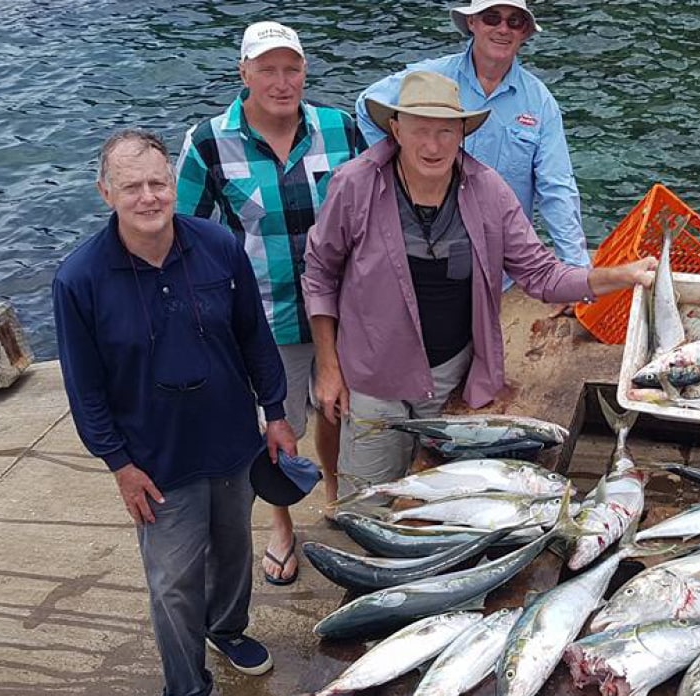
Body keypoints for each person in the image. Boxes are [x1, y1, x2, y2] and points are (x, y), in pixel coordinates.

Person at [53, 130, 295, 696]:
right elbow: (84, 387)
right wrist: (120, 466)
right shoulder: (78, 278)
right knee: (172, 582)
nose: (148, 196)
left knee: (235, 550)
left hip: (231, 441)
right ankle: (185, 692)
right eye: (131, 185)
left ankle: (229, 629)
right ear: (105, 192)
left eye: (158, 181)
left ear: (173, 182)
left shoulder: (217, 244)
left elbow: (253, 337)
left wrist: (275, 412)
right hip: (155, 464)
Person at [304, 71, 653, 492]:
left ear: (462, 133)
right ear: (396, 130)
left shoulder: (488, 190)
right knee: (366, 497)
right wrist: (328, 367)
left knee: (441, 496)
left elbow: (541, 275)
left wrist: (622, 276)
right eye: (420, 131)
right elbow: (320, 274)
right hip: (373, 376)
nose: (432, 146)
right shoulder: (354, 184)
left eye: (445, 132)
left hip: (453, 373)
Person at [176, 21, 362, 586]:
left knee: (336, 409)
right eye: (267, 69)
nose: (281, 82)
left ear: (305, 72)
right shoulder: (207, 141)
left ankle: (333, 494)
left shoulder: (341, 127)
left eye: (292, 69)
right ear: (244, 74)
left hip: (341, 310)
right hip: (261, 316)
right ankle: (282, 523)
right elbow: (183, 231)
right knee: (275, 425)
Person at [354, 0, 590, 283]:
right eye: (492, 18)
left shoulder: (541, 102)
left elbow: (557, 188)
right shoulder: (430, 78)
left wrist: (576, 270)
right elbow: (366, 106)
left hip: (501, 270)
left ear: (525, 32)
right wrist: (399, 168)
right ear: (472, 23)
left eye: (514, 21)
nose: (503, 28)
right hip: (425, 256)